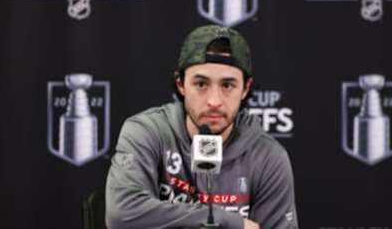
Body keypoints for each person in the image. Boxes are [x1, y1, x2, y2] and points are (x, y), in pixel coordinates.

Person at [105, 25, 298, 229]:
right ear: (181, 84)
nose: (214, 101)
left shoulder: (268, 157)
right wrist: (225, 220)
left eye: (227, 85)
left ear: (245, 89)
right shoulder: (146, 132)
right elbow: (122, 215)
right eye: (201, 84)